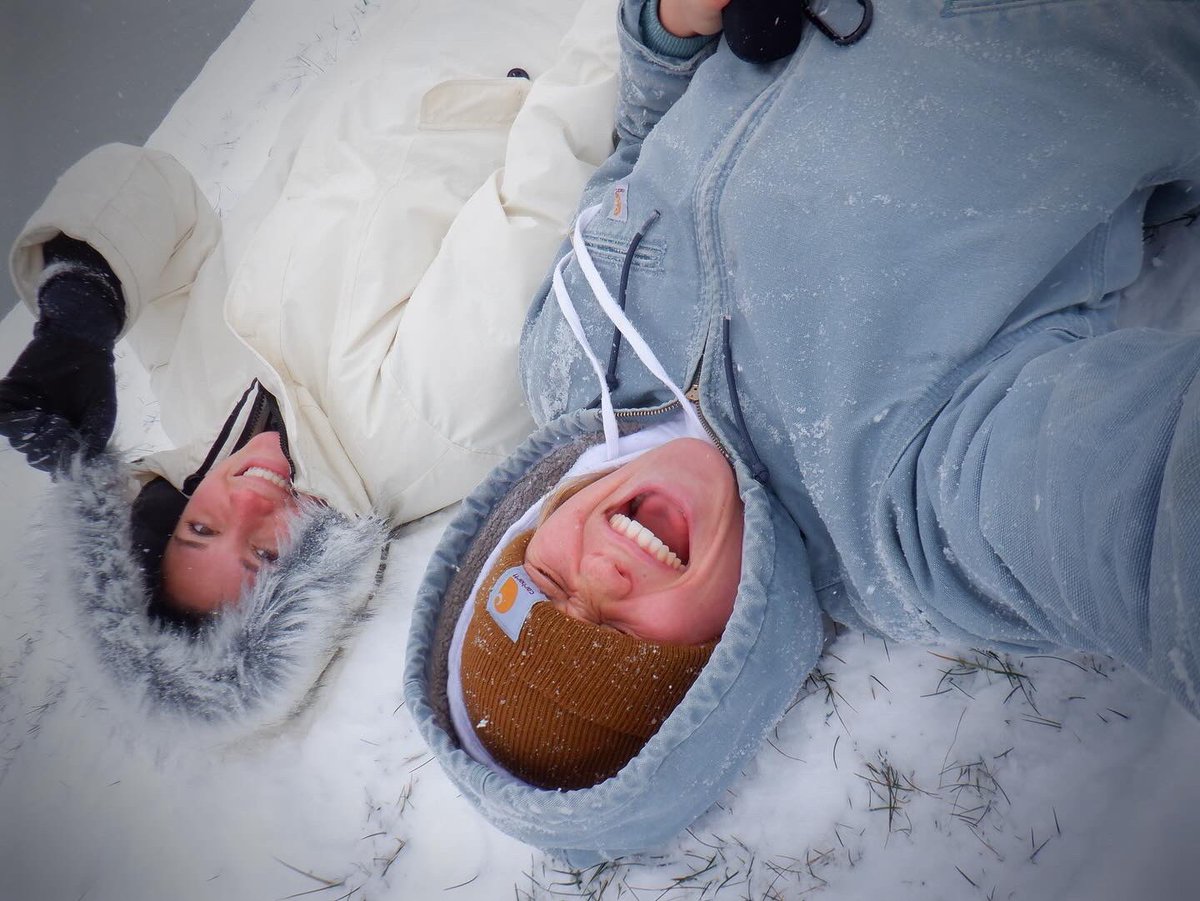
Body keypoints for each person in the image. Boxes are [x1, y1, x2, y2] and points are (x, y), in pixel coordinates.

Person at [404, 0, 1200, 864]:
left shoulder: (569, 351)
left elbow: (638, 152)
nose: (600, 572)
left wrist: (666, 33)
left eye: (550, 578)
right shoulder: (902, 516)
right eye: (621, 638)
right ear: (722, 666)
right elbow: (1140, 509)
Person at [0, 0, 620, 733]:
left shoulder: (201, 395)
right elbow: (561, 157)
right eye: (264, 551)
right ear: (308, 579)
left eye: (200, 529)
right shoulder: (431, 417)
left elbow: (155, 195)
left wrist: (81, 310)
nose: (248, 504)